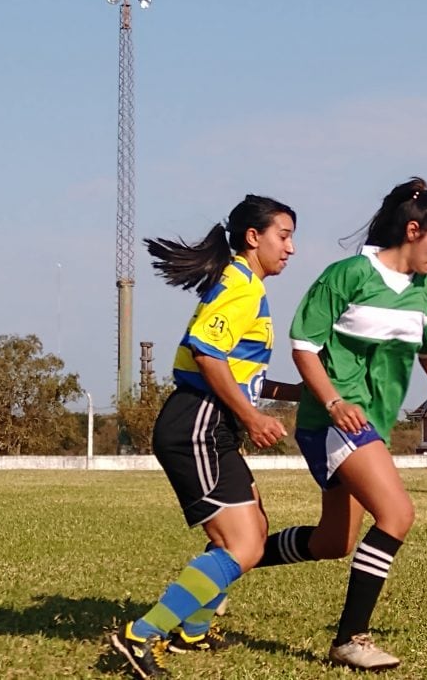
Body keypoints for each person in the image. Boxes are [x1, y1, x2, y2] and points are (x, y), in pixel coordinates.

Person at [256, 177, 427, 671]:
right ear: (413, 230)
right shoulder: (348, 275)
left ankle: (234, 558)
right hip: (333, 420)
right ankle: (350, 640)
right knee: (398, 515)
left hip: (370, 426)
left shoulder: (425, 293)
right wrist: (335, 401)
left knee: (332, 542)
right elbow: (304, 347)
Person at [110, 195, 300, 679]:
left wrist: (295, 392)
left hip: (208, 423)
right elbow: (207, 355)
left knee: (252, 534)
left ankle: (190, 632)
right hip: (198, 422)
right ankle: (140, 636)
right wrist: (253, 418)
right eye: (284, 235)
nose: (291, 248)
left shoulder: (244, 283)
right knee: (242, 546)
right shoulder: (241, 284)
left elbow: (236, 367)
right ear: (253, 237)